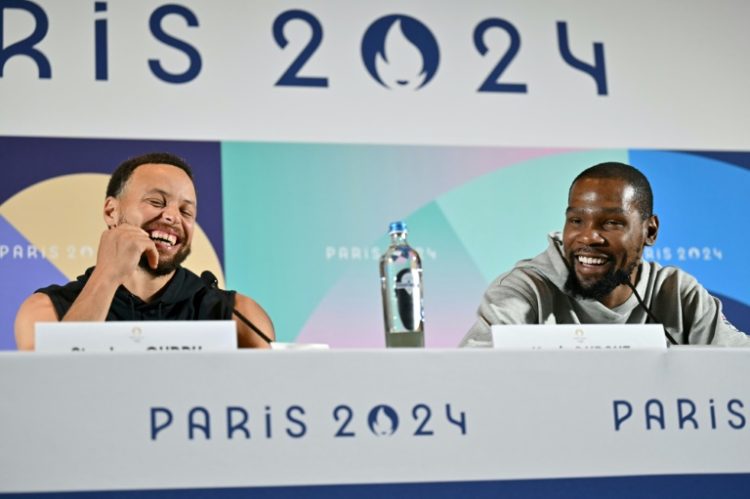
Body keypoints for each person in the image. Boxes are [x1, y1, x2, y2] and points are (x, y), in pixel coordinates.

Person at [461, 161, 749, 347]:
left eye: (611, 222)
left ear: (650, 231)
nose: (588, 236)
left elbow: (738, 367)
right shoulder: (524, 291)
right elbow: (472, 378)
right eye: (576, 221)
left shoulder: (676, 292)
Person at [14, 152, 274, 350]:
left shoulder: (238, 315)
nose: (172, 216)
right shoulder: (45, 311)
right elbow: (47, 388)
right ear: (111, 212)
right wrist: (108, 275)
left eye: (186, 211)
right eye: (156, 202)